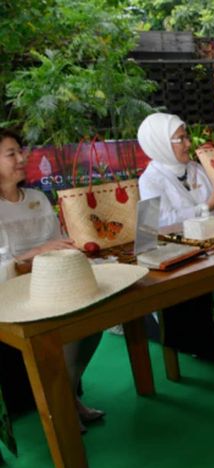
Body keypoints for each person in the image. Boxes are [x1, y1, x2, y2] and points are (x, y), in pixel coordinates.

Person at [0, 129, 103, 432]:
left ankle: (66, 396)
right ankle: (60, 404)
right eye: (11, 154)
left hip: (51, 284)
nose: (22, 158)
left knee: (93, 318)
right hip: (11, 295)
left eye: (21, 151)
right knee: (66, 327)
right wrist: (38, 252)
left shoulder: (36, 198)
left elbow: (58, 242)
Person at [138, 113, 214, 360]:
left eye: (185, 137)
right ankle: (193, 340)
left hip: (209, 240)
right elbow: (159, 224)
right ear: (159, 143)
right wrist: (207, 205)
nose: (188, 144)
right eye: (180, 139)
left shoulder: (194, 167)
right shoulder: (149, 179)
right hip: (174, 250)